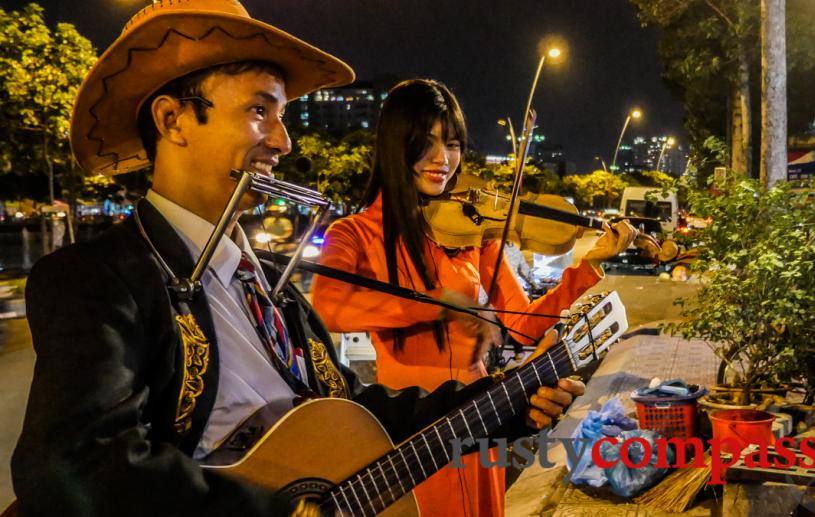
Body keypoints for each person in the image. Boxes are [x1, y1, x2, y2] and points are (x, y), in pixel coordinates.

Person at [10, 2, 584, 516]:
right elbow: (71, 469)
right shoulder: (100, 279)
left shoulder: (274, 290)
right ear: (173, 120)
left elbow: (351, 414)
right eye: (261, 112)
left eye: (282, 117)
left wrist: (507, 401)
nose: (285, 142)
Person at [312, 79, 640, 517]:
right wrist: (439, 302)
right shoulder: (354, 233)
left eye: (452, 144)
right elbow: (329, 307)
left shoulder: (468, 234)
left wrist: (587, 267)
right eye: (425, 142)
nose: (442, 160)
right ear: (395, 146)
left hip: (481, 418)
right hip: (411, 433)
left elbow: (521, 322)